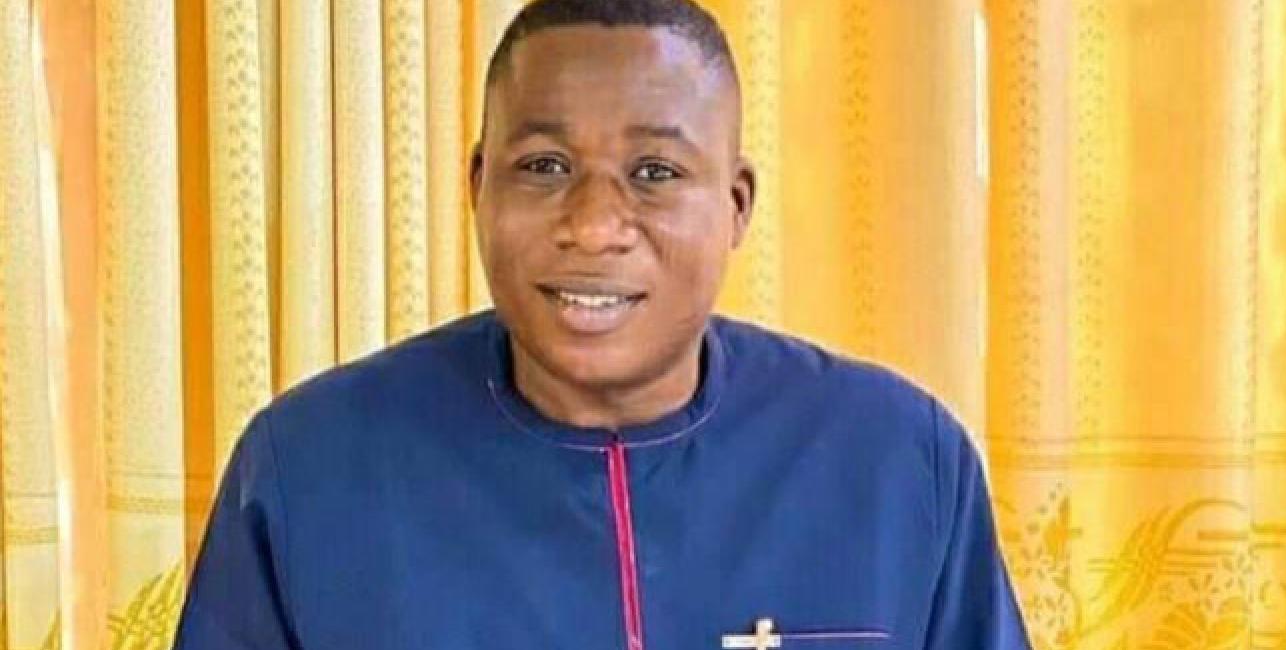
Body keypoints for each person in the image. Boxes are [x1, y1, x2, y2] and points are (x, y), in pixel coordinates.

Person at [173, 0, 1031, 648]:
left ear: (735, 205)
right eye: (545, 166)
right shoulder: (310, 470)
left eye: (654, 172)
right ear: (478, 188)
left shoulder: (897, 462)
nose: (592, 225)